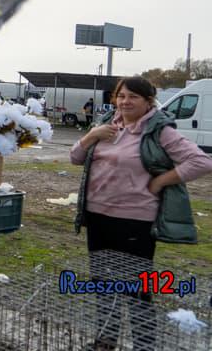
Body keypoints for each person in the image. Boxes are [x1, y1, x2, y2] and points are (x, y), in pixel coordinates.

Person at [70, 76, 212, 350]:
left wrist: (161, 181)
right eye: (121, 96)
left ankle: (144, 346)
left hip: (135, 221)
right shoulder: (106, 124)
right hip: (97, 217)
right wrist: (91, 136)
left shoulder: (159, 130)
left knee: (137, 289)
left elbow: (201, 161)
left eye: (133, 97)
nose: (125, 102)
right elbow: (75, 158)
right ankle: (105, 341)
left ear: (149, 102)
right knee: (102, 283)